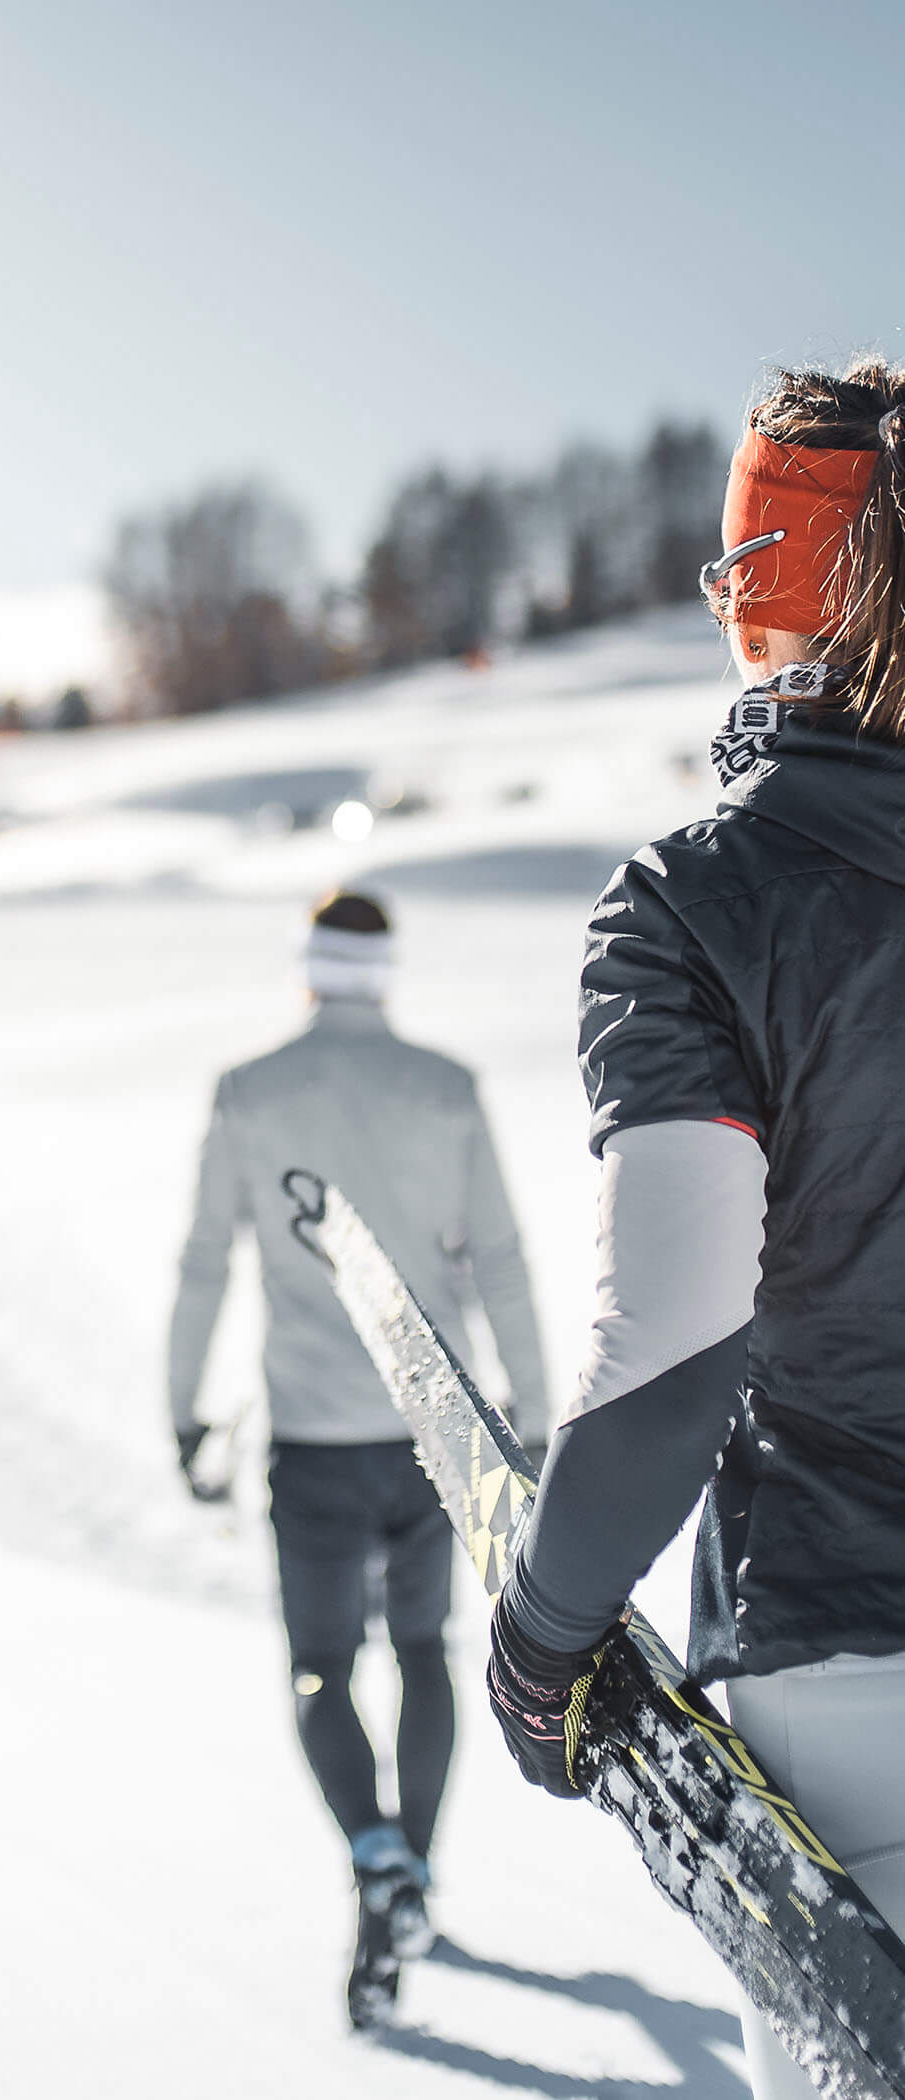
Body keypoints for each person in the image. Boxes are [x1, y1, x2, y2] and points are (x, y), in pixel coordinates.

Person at [485, 358, 905, 2100]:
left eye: (736, 565)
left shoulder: (698, 905)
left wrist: (545, 1635)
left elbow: (675, 1343)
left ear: (772, 592)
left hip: (851, 1663)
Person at [170, 889, 548, 2027]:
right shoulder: (446, 1087)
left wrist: (183, 1411)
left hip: (313, 1438)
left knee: (322, 1667)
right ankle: (414, 1871)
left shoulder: (250, 1091)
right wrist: (532, 1414)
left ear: (308, 966)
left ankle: (374, 1856)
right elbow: (501, 1259)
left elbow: (205, 1262)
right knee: (424, 1649)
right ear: (385, 971)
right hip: (439, 1433)